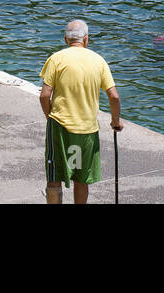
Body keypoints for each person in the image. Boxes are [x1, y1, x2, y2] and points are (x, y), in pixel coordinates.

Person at [40, 19, 123, 203]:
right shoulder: (98, 60)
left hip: (60, 127)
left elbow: (45, 96)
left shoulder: (56, 59)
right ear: (86, 39)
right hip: (87, 131)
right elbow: (114, 97)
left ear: (65, 39)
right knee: (81, 178)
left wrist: (50, 117)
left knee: (55, 176)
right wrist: (115, 121)